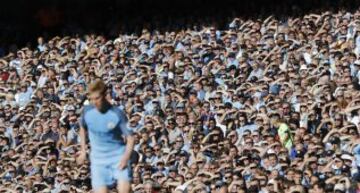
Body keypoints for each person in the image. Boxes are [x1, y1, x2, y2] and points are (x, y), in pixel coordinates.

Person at [77, 79, 135, 193]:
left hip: (117, 156)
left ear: (104, 95)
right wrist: (83, 150)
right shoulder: (87, 111)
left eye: (97, 98)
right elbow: (82, 128)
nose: (94, 102)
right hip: (98, 159)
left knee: (125, 190)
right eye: (92, 99)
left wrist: (126, 157)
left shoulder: (117, 113)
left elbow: (130, 138)